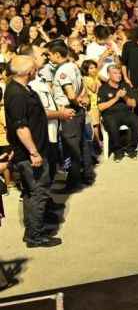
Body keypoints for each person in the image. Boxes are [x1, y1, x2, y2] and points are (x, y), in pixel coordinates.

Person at [4, 55, 61, 247]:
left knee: (31, 192)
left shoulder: (22, 89)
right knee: (38, 192)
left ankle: (32, 230)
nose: (37, 71)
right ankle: (35, 236)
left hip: (29, 150)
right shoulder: (17, 94)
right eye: (35, 69)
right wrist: (34, 153)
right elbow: (21, 127)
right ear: (29, 72)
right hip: (30, 154)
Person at [49, 40, 94, 188]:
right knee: (82, 143)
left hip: (70, 111)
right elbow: (82, 88)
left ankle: (74, 181)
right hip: (78, 111)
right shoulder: (74, 66)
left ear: (57, 54)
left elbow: (70, 93)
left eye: (50, 55)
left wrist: (76, 104)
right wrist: (83, 102)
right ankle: (87, 174)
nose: (49, 58)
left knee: (71, 146)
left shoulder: (62, 71)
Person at [97, 64, 138, 160]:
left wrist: (124, 97)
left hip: (126, 112)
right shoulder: (103, 88)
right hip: (110, 114)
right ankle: (118, 151)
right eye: (115, 73)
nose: (119, 75)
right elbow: (100, 107)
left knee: (136, 122)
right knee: (112, 124)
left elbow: (133, 104)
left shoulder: (125, 86)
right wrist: (116, 98)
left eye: (119, 73)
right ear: (109, 74)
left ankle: (131, 149)